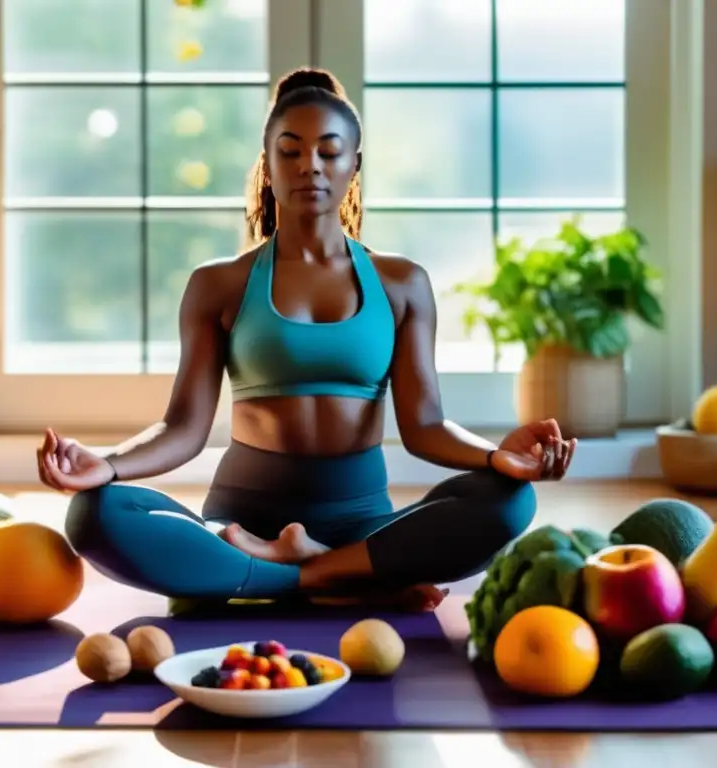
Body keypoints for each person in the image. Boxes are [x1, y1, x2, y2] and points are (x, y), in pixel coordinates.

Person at [36, 68, 576, 612]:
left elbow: (426, 427)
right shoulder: (218, 284)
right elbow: (183, 428)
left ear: (354, 165)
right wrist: (107, 464)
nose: (309, 166)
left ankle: (274, 569)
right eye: (290, 151)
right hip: (241, 519)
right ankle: (343, 580)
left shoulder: (402, 283)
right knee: (94, 514)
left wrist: (496, 458)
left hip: (362, 525)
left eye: (329, 151)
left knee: (508, 503)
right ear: (267, 165)